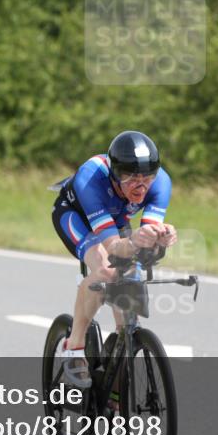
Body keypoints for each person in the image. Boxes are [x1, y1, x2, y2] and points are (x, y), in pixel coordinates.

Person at [51, 131, 178, 388]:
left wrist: (159, 241)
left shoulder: (161, 183)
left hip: (115, 220)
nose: (139, 185)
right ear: (114, 173)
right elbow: (114, 247)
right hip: (76, 217)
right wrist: (133, 241)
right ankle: (74, 348)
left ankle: (118, 391)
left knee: (131, 280)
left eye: (146, 177)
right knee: (107, 269)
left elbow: (143, 247)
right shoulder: (91, 177)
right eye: (129, 177)